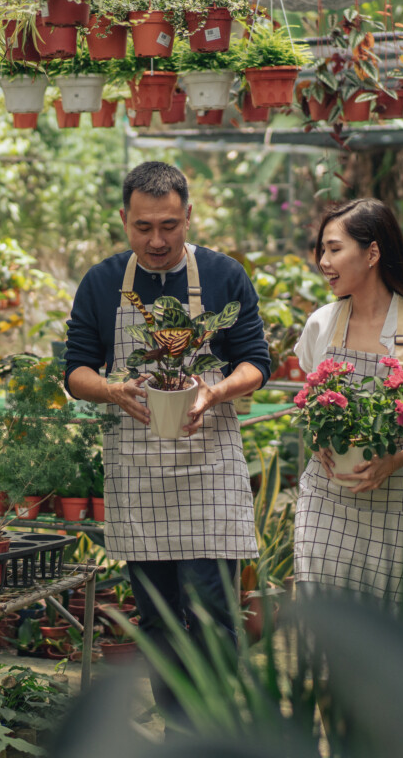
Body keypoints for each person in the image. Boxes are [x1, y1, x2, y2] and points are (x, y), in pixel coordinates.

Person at [63, 161, 270, 711]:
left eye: (170, 226)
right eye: (144, 227)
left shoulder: (224, 276)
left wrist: (215, 392)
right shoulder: (104, 282)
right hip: (138, 471)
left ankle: (216, 729)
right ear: (125, 220)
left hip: (209, 467)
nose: (157, 240)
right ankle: (177, 726)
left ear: (189, 217)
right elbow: (77, 370)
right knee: (156, 616)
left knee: (213, 610)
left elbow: (255, 362)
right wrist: (112, 390)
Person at [293, 198, 403, 628]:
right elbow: (313, 406)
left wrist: (396, 460)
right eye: (322, 252)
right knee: (330, 634)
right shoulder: (321, 325)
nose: (324, 262)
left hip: (400, 504)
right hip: (326, 499)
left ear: (372, 253)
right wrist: (319, 440)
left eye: (334, 249)